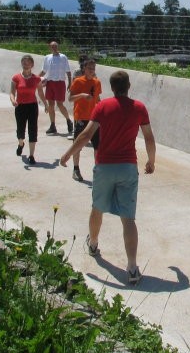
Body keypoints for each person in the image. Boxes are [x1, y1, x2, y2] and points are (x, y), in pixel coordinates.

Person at [60, 70, 156, 285]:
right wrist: (151, 161)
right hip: (127, 167)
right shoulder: (139, 108)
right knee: (128, 218)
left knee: (97, 207)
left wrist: (67, 154)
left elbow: (86, 134)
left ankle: (93, 244)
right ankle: (132, 268)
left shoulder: (102, 107)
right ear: (128, 86)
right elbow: (149, 138)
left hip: (104, 166)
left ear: (112, 88)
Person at [10, 55, 48, 165]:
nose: (25, 65)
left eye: (28, 63)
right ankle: (21, 144)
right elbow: (12, 92)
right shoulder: (16, 78)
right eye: (24, 63)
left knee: (33, 129)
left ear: (32, 65)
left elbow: (40, 93)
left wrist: (45, 104)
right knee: (20, 130)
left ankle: (31, 155)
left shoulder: (36, 79)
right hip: (20, 106)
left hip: (32, 106)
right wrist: (13, 100)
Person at [68, 59, 102, 181]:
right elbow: (70, 98)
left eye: (93, 68)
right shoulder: (77, 81)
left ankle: (98, 170)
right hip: (81, 117)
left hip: (94, 119)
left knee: (98, 146)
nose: (91, 70)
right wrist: (82, 95)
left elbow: (97, 98)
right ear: (84, 69)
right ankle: (76, 169)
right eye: (89, 68)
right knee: (78, 145)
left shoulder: (97, 82)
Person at [39, 40, 73, 135]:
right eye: (52, 46)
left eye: (55, 46)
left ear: (58, 47)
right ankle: (52, 125)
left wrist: (70, 83)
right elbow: (44, 71)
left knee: (60, 104)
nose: (54, 48)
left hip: (60, 83)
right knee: (50, 104)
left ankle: (69, 121)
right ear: (49, 47)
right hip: (50, 83)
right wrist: (36, 78)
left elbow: (68, 71)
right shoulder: (47, 57)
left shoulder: (63, 57)